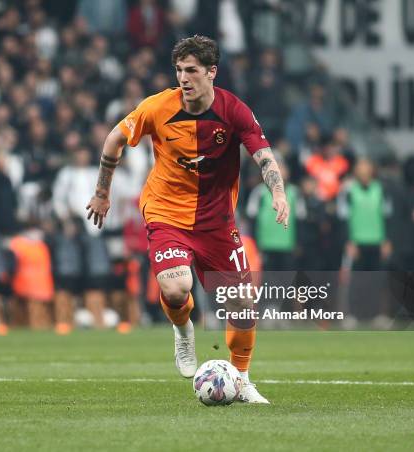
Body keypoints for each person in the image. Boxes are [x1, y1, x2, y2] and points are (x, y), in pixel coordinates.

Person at [86, 35, 289, 404]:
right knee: (177, 287)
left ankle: (241, 379)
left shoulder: (234, 110)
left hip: (216, 221)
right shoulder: (157, 107)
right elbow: (114, 138)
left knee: (241, 302)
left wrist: (277, 191)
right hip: (166, 212)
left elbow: (263, 154)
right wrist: (102, 191)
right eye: (179, 70)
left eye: (192, 70)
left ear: (212, 72)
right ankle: (183, 332)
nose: (183, 77)